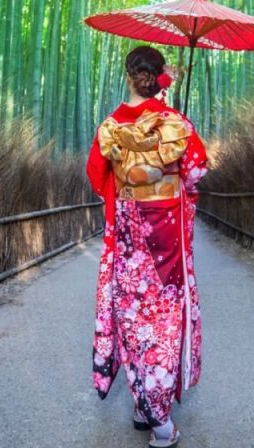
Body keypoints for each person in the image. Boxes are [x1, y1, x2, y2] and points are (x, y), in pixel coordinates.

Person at [86, 45, 209, 448]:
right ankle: (161, 421)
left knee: (133, 314)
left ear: (129, 76)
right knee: (164, 318)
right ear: (159, 79)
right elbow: (196, 170)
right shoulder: (175, 122)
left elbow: (96, 176)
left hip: (128, 231)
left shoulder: (110, 125)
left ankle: (144, 405)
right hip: (165, 232)